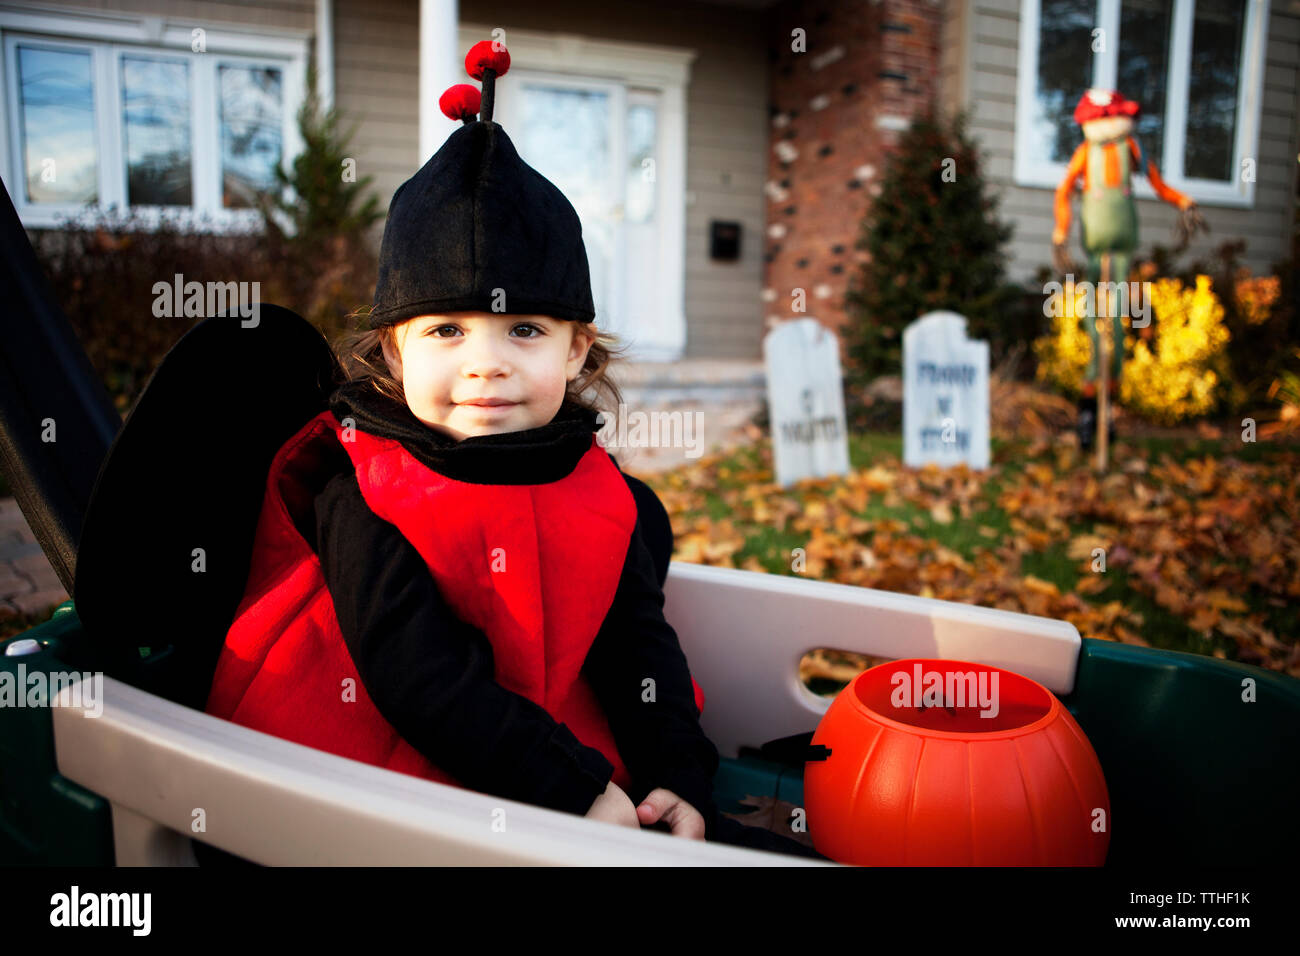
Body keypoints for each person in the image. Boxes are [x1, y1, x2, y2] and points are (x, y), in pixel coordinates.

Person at [203, 40, 824, 861]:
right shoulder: (363, 492)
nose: (485, 362)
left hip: (546, 749)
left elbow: (637, 642)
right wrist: (570, 789)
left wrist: (676, 771)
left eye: (524, 330)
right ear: (394, 352)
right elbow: (416, 677)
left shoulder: (601, 492)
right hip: (377, 764)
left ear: (575, 352)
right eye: (447, 331)